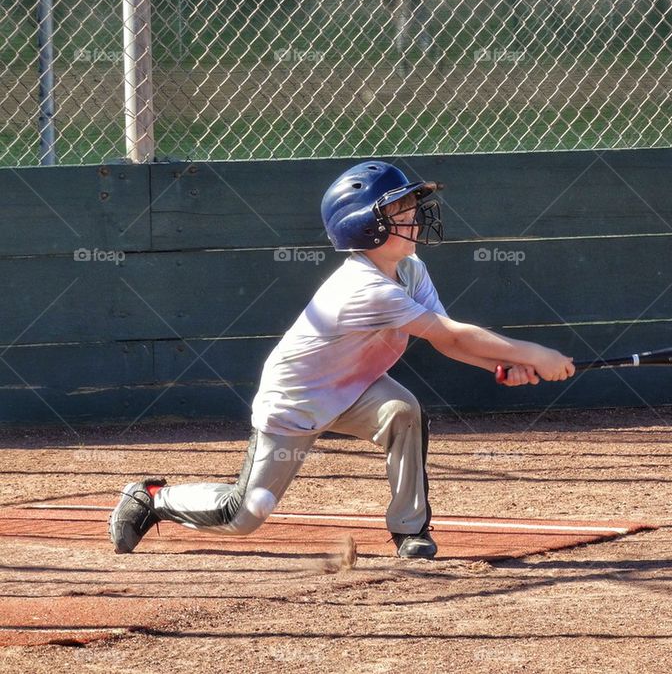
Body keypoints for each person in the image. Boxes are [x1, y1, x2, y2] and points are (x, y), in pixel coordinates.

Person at [108, 161, 575, 559]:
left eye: (410, 206)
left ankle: (411, 531)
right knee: (244, 515)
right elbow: (451, 332)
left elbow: (448, 341)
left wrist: (503, 366)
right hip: (298, 400)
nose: (415, 215)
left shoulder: (411, 269)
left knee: (401, 410)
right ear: (364, 225)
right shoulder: (363, 288)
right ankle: (151, 497)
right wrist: (535, 352)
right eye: (399, 209)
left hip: (355, 388)